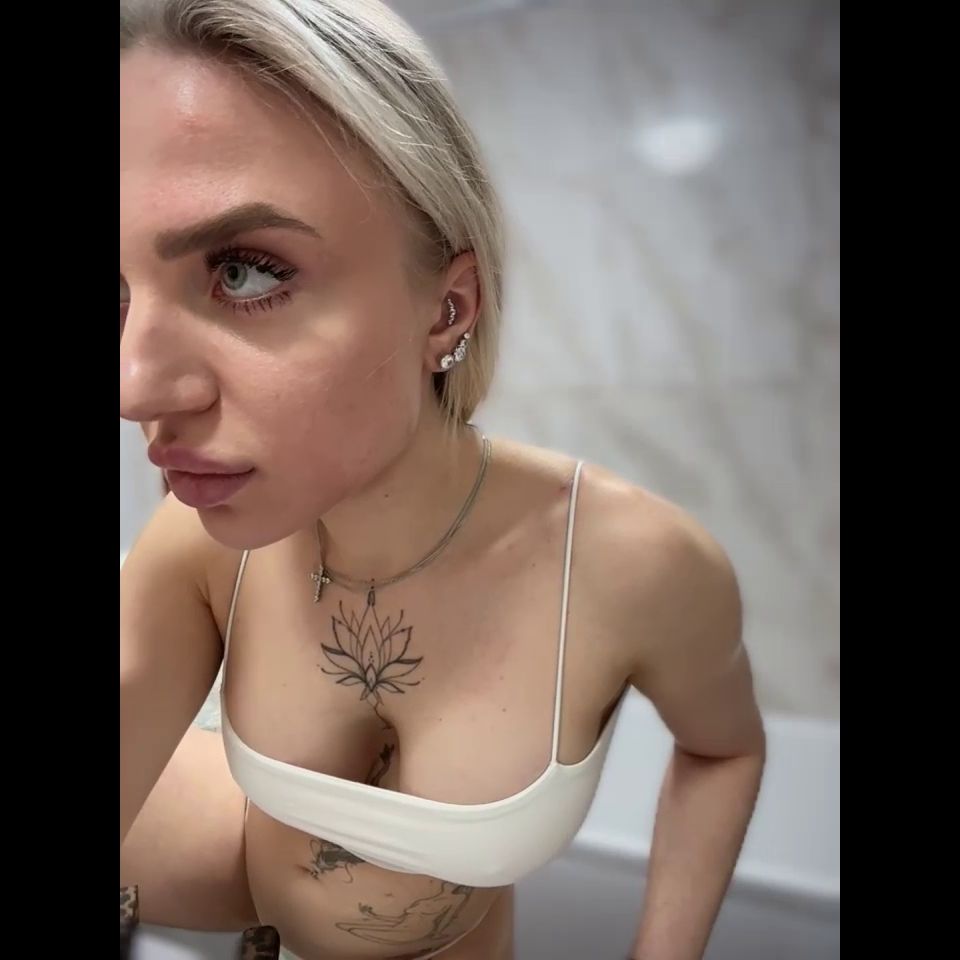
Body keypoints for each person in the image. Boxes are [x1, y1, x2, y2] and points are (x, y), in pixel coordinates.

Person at [119, 2, 767, 959]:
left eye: (247, 273)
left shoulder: (633, 564)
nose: (134, 389)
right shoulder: (199, 545)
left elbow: (724, 747)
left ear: (448, 309)